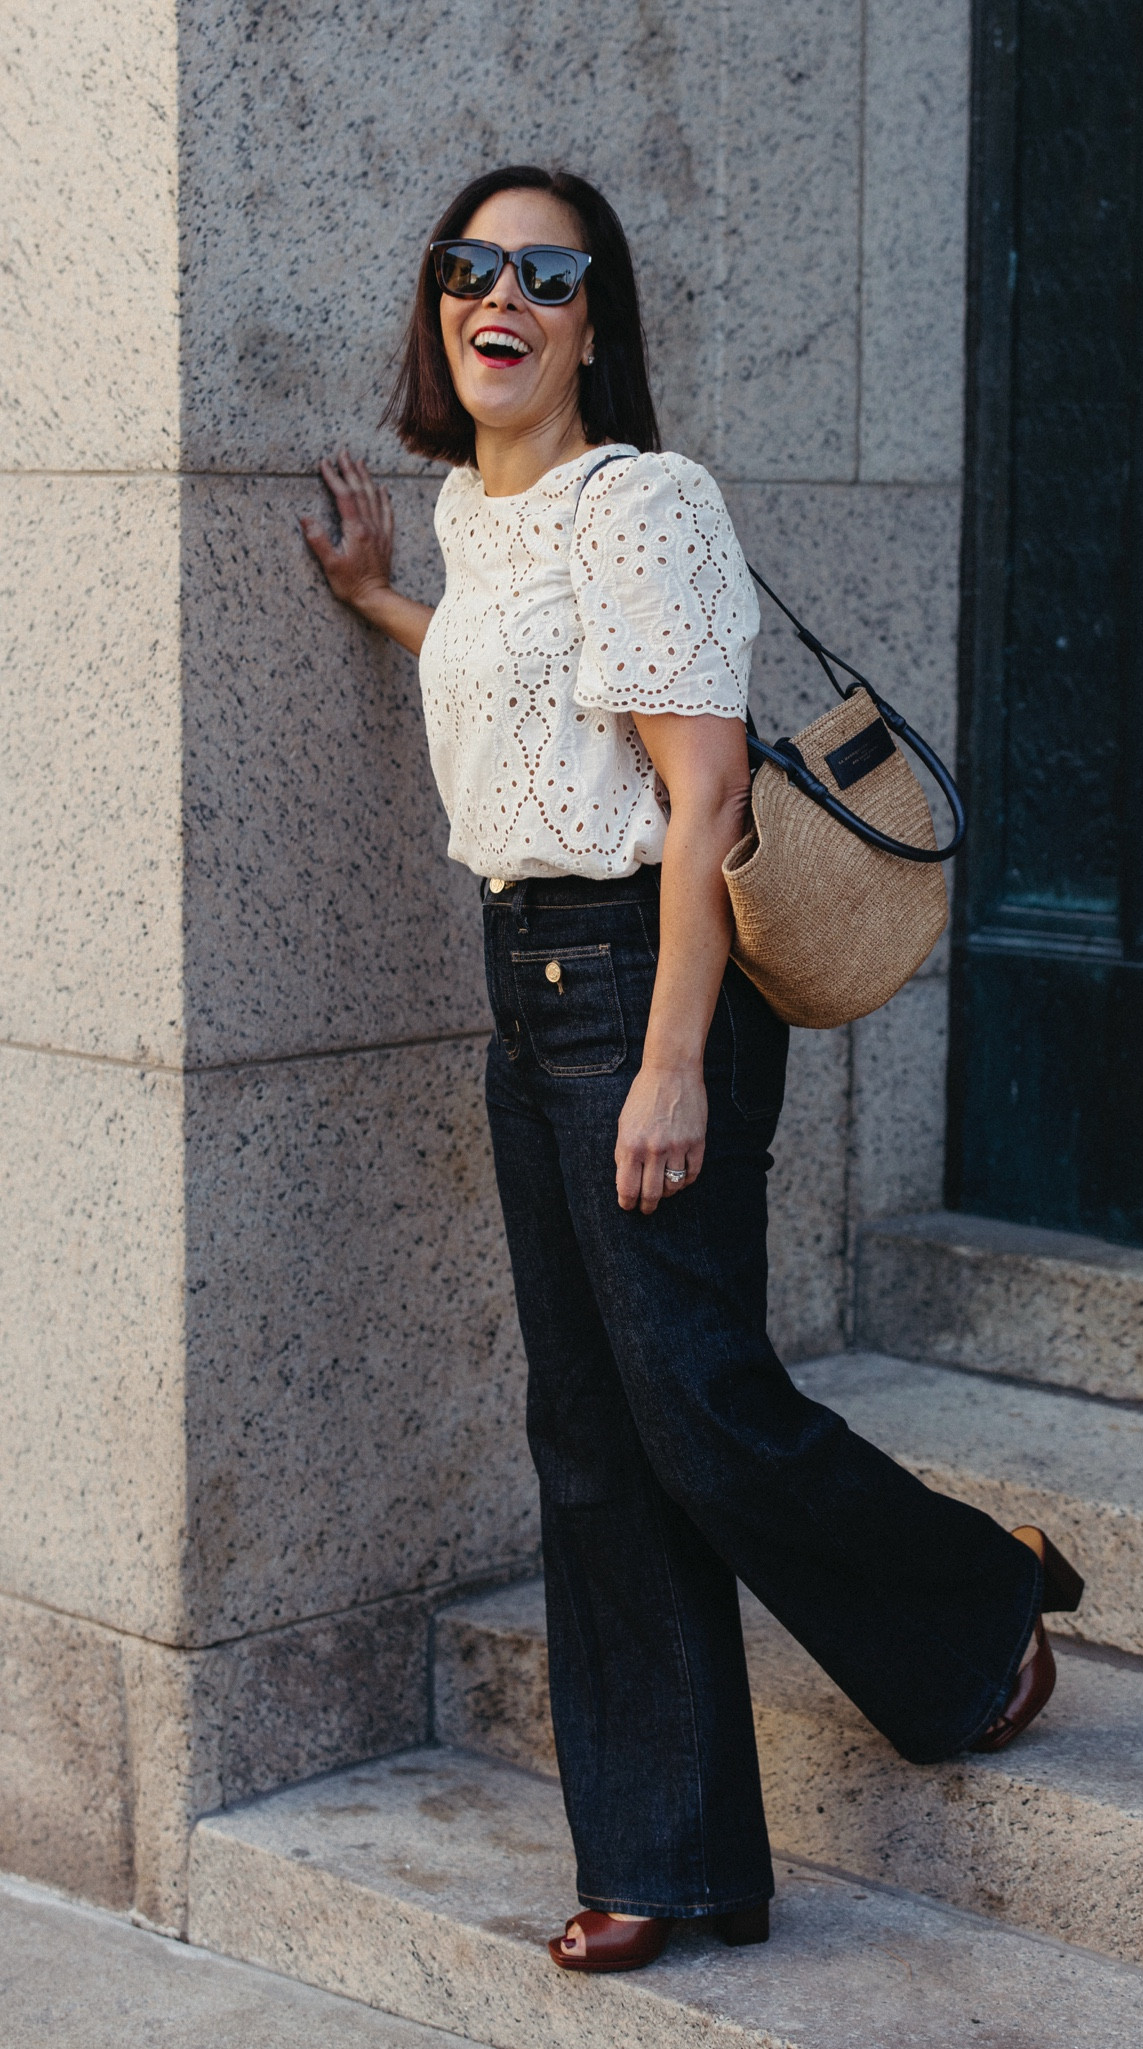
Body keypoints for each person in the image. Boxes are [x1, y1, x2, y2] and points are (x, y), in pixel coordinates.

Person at [302, 163, 1083, 1975]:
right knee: (591, 1443)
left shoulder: (642, 498)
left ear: (597, 321)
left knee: (700, 1409)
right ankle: (670, 1862)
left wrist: (668, 1066)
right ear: (439, 304)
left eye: (548, 275)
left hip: (646, 985)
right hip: (524, 977)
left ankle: (978, 1597)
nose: (503, 294)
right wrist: (379, 601)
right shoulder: (475, 516)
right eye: (471, 265)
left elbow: (703, 783)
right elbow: (537, 694)